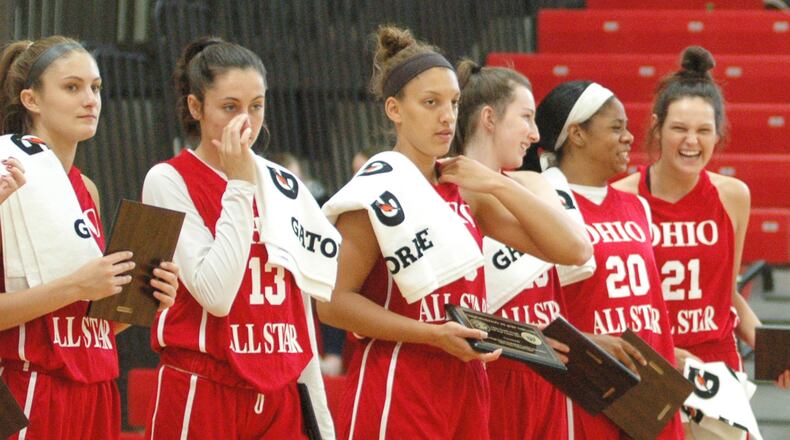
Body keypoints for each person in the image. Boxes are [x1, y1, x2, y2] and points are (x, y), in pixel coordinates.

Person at [318, 25, 590, 440]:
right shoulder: (375, 190)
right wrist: (431, 334)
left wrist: (496, 182)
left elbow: (572, 250)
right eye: (431, 103)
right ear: (394, 109)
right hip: (401, 378)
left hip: (467, 380)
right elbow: (332, 304)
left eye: (454, 102)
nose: (447, 116)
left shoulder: (465, 188)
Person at [142, 37, 336, 439]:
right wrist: (240, 186)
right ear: (196, 107)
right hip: (203, 384)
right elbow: (215, 294)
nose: (246, 122)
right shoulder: (168, 179)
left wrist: (322, 419)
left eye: (256, 106)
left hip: (280, 390)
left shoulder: (284, 183)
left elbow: (298, 311)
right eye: (230, 107)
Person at [0, 36, 178, 439]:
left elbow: (86, 328)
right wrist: (77, 285)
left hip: (98, 389)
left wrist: (144, 298)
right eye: (72, 87)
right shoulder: (7, 176)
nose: (90, 100)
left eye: (95, 87)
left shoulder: (88, 190)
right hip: (31, 385)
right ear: (31, 99)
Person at [612, 46, 790, 390]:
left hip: (715, 364)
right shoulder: (621, 197)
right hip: (647, 362)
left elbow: (728, 295)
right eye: (679, 128)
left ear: (717, 135)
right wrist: (660, 353)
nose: (691, 141)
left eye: (704, 130)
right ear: (657, 128)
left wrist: (776, 355)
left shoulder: (733, 195)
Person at [524, 80, 683, 439]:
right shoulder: (542, 205)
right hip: (587, 387)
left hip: (649, 388)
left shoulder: (637, 205)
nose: (629, 137)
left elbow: (655, 306)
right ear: (577, 134)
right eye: (616, 127)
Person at [452, 59, 591, 439]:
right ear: (489, 118)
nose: (535, 133)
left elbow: (578, 249)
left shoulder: (532, 182)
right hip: (488, 369)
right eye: (526, 117)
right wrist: (519, 338)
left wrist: (497, 183)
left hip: (545, 371)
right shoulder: (448, 194)